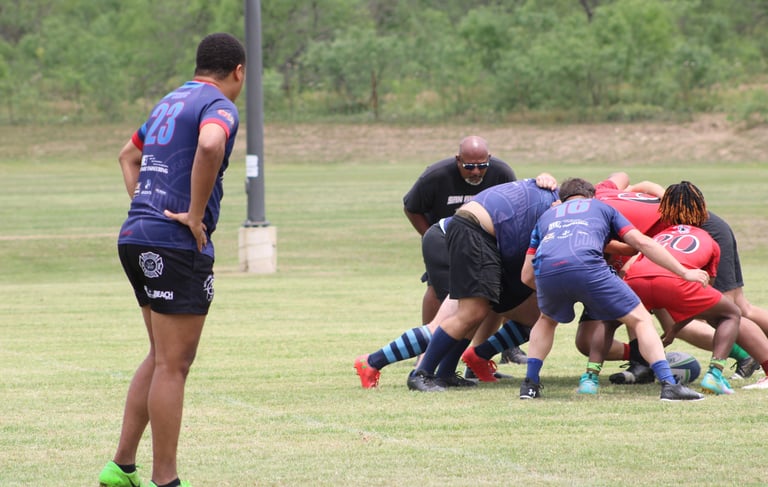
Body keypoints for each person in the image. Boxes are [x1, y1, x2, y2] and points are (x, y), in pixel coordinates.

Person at [98, 33, 246, 487]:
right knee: (173, 364)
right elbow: (209, 145)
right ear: (238, 71)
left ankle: (121, 468)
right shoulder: (219, 105)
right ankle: (166, 480)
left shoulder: (170, 100)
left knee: (161, 356)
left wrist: (146, 207)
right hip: (174, 242)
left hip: (136, 234)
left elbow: (129, 156)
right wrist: (194, 215)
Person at [518, 177, 707, 401]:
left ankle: (529, 385)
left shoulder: (546, 217)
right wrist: (684, 272)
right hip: (589, 267)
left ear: (563, 198)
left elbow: (526, 275)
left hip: (548, 271)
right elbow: (642, 243)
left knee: (547, 320)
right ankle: (669, 384)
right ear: (591, 195)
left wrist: (553, 289)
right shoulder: (602, 206)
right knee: (640, 320)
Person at [582, 172, 763, 384]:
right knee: (645, 305)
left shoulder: (590, 218)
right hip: (658, 244)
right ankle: (642, 361)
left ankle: (745, 354)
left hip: (690, 227)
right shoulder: (600, 194)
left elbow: (636, 247)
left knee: (732, 310)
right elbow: (628, 178)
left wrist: (667, 208)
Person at [405, 176, 559, 392]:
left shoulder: (549, 194)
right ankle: (421, 373)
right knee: (471, 312)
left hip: (474, 228)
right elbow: (516, 257)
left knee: (479, 310)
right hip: (473, 230)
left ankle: (446, 373)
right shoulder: (549, 208)